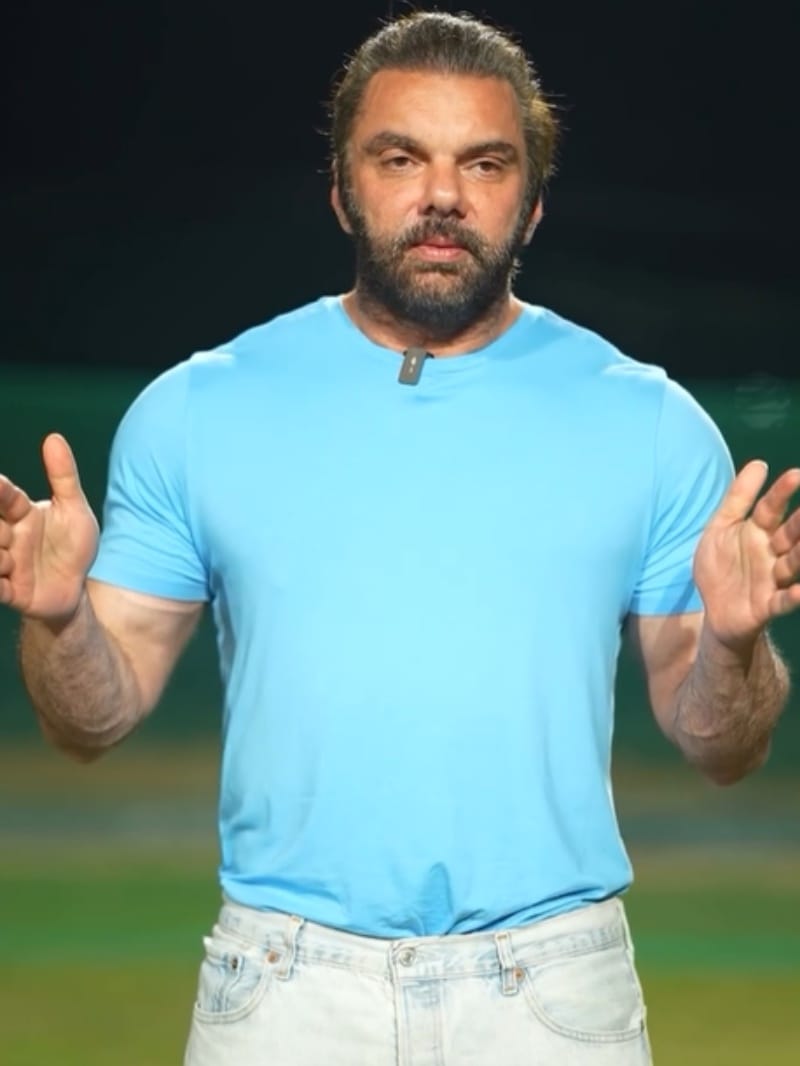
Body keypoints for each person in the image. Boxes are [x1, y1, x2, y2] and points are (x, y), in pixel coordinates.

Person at [1, 10, 798, 1066]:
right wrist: (59, 620)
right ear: (342, 190)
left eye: (484, 163)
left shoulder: (650, 423)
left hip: (553, 993)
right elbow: (89, 722)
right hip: (283, 993)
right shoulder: (198, 409)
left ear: (532, 202)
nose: (442, 196)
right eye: (400, 158)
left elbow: (722, 747)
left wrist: (735, 644)